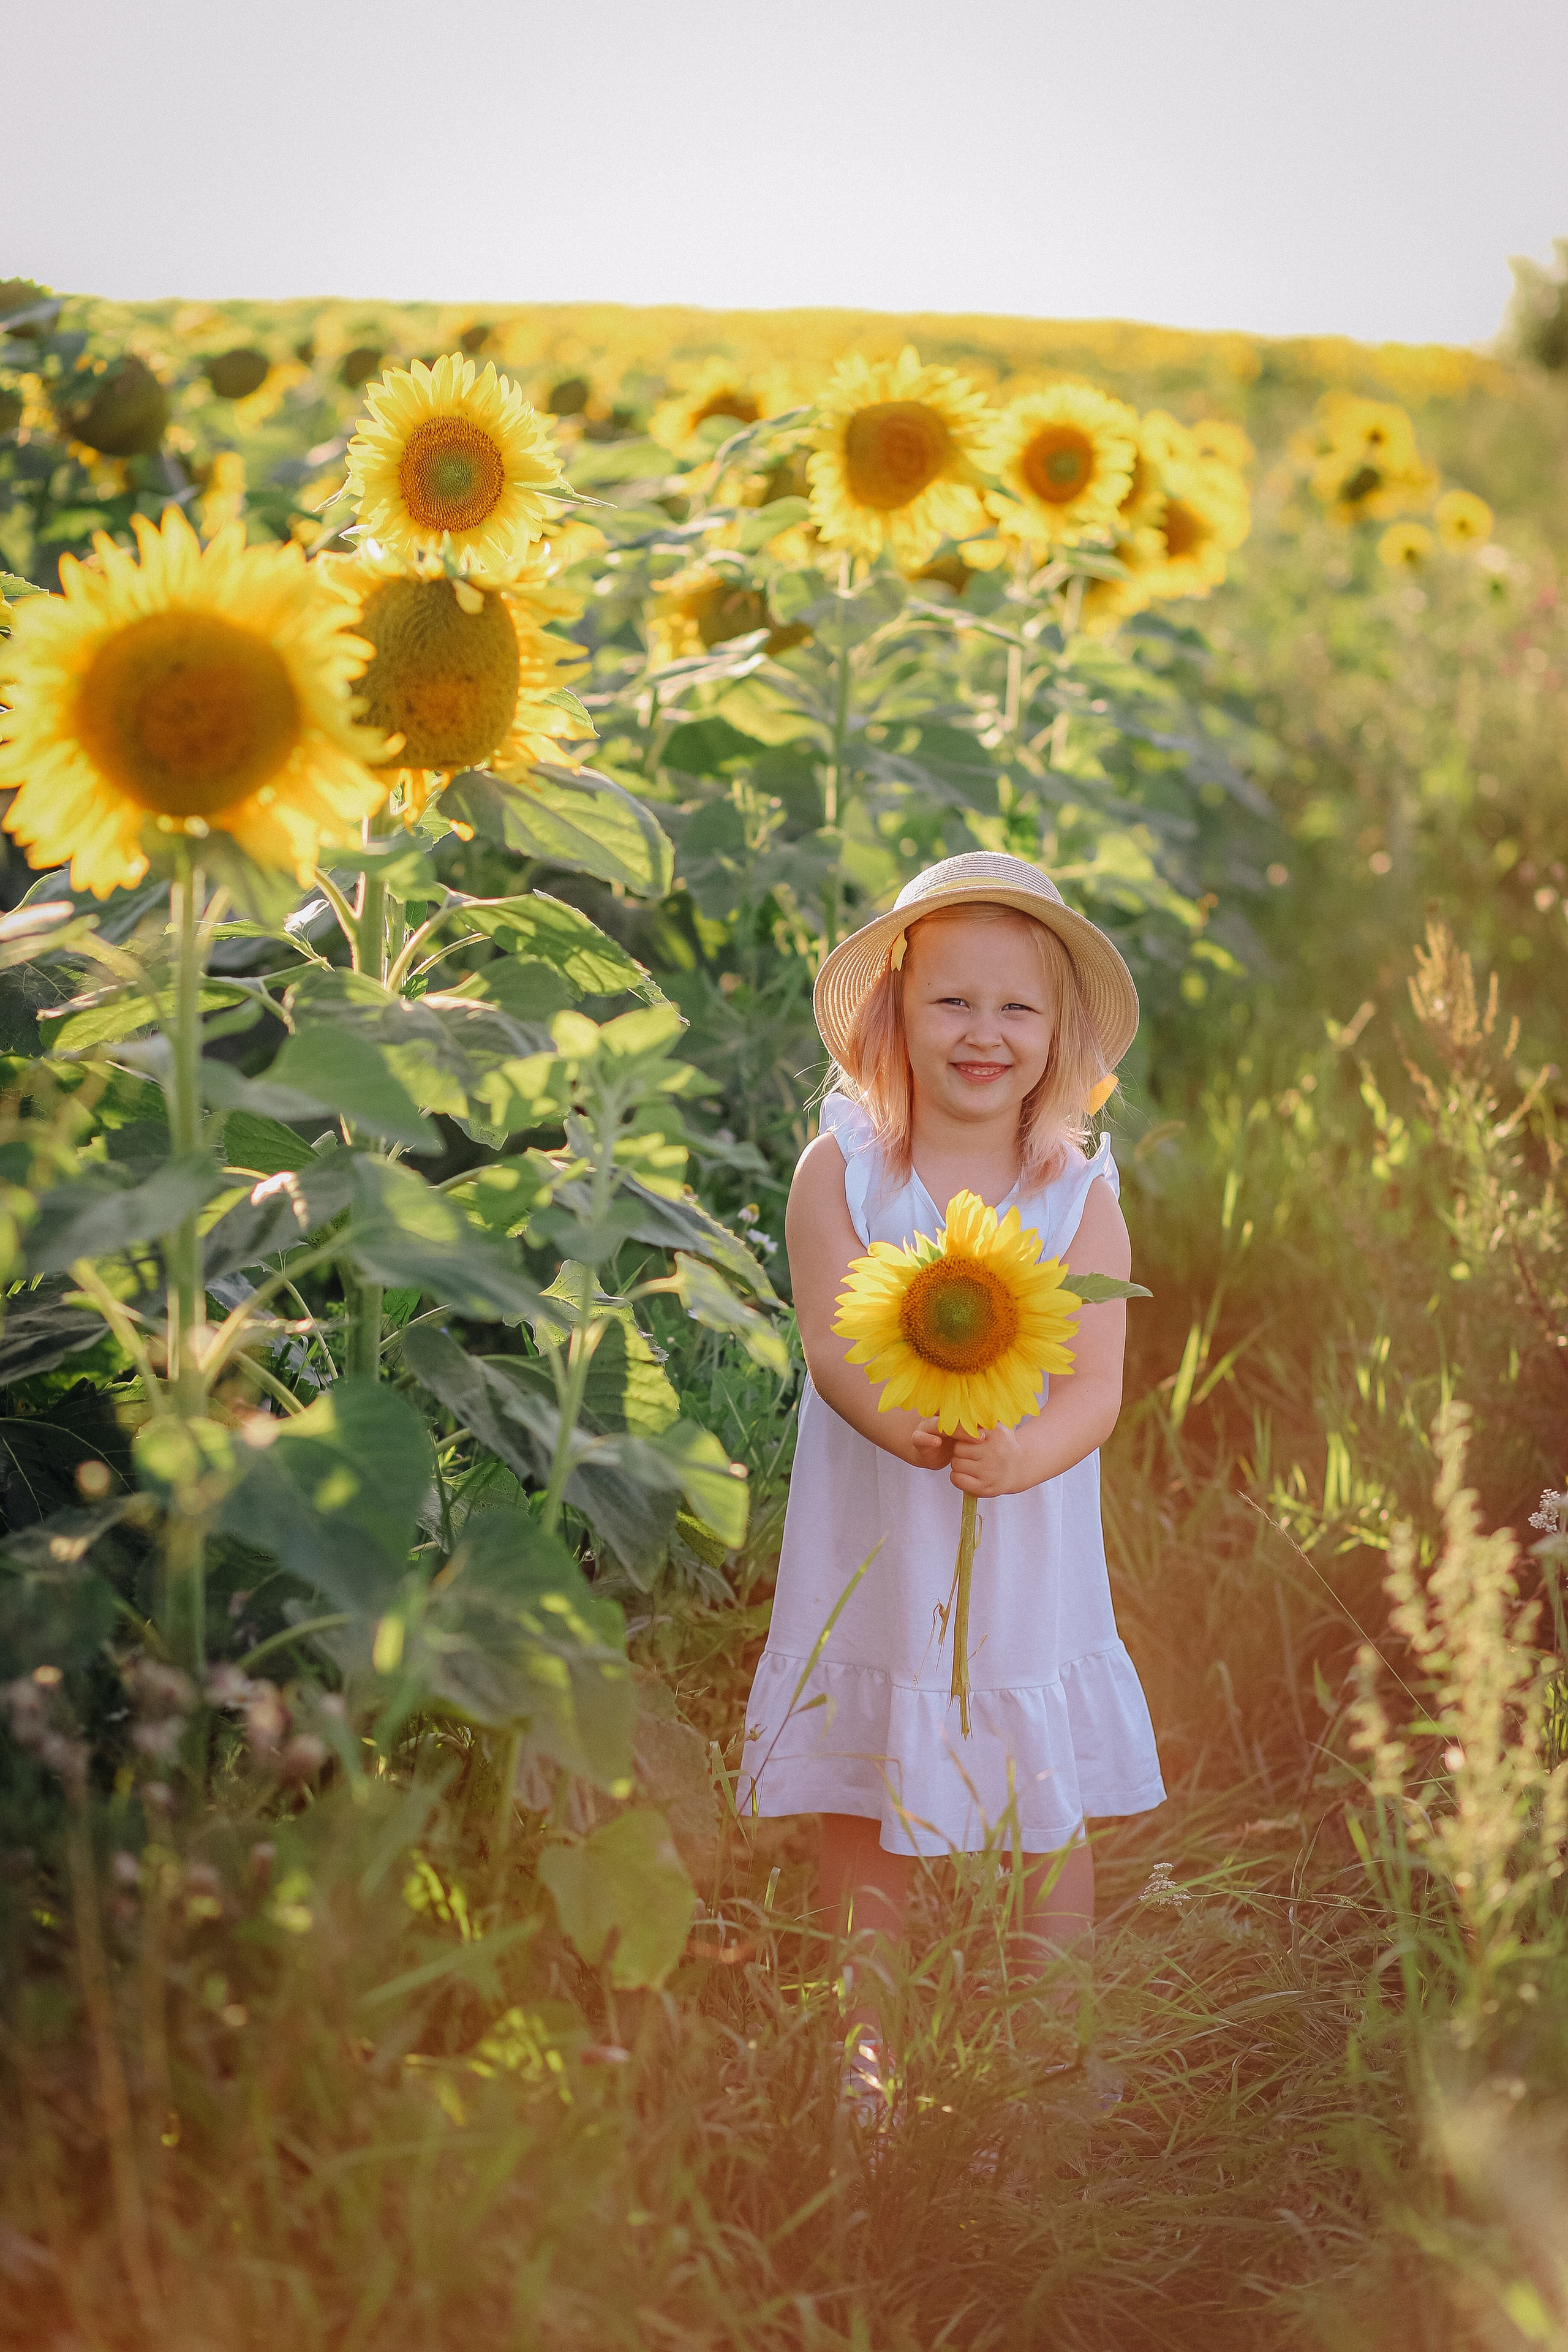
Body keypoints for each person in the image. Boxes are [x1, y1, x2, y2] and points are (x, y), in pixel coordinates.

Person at [736, 850, 1165, 2103]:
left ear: (1059, 1036)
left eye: (1016, 1009)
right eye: (951, 1003)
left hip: (1020, 1535)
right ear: (892, 1017)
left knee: (1042, 1807)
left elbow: (1094, 1383)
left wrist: (1022, 1447)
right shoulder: (846, 1172)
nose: (983, 1034)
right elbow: (828, 1343)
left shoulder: (1071, 1193)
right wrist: (904, 1425)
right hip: (878, 1528)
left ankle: (1054, 2043)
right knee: (869, 1791)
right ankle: (862, 2042)